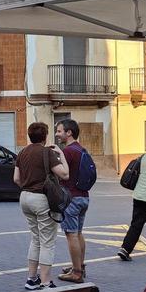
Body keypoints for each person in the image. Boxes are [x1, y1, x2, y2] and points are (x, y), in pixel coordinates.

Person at [13, 122, 69, 290]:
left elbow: (16, 178)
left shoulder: (22, 152)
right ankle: (45, 281)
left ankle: (31, 278)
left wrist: (28, 185)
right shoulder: (48, 153)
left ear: (30, 136)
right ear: (45, 136)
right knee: (47, 241)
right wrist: (61, 155)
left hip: (25, 198)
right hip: (42, 199)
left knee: (35, 238)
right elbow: (64, 174)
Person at [55, 119, 90, 283]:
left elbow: (61, 174)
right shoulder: (82, 149)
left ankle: (76, 273)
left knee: (71, 235)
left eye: (60, 131)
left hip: (71, 198)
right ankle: (80, 266)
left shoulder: (68, 152)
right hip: (83, 197)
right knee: (79, 234)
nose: (57, 134)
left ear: (69, 133)